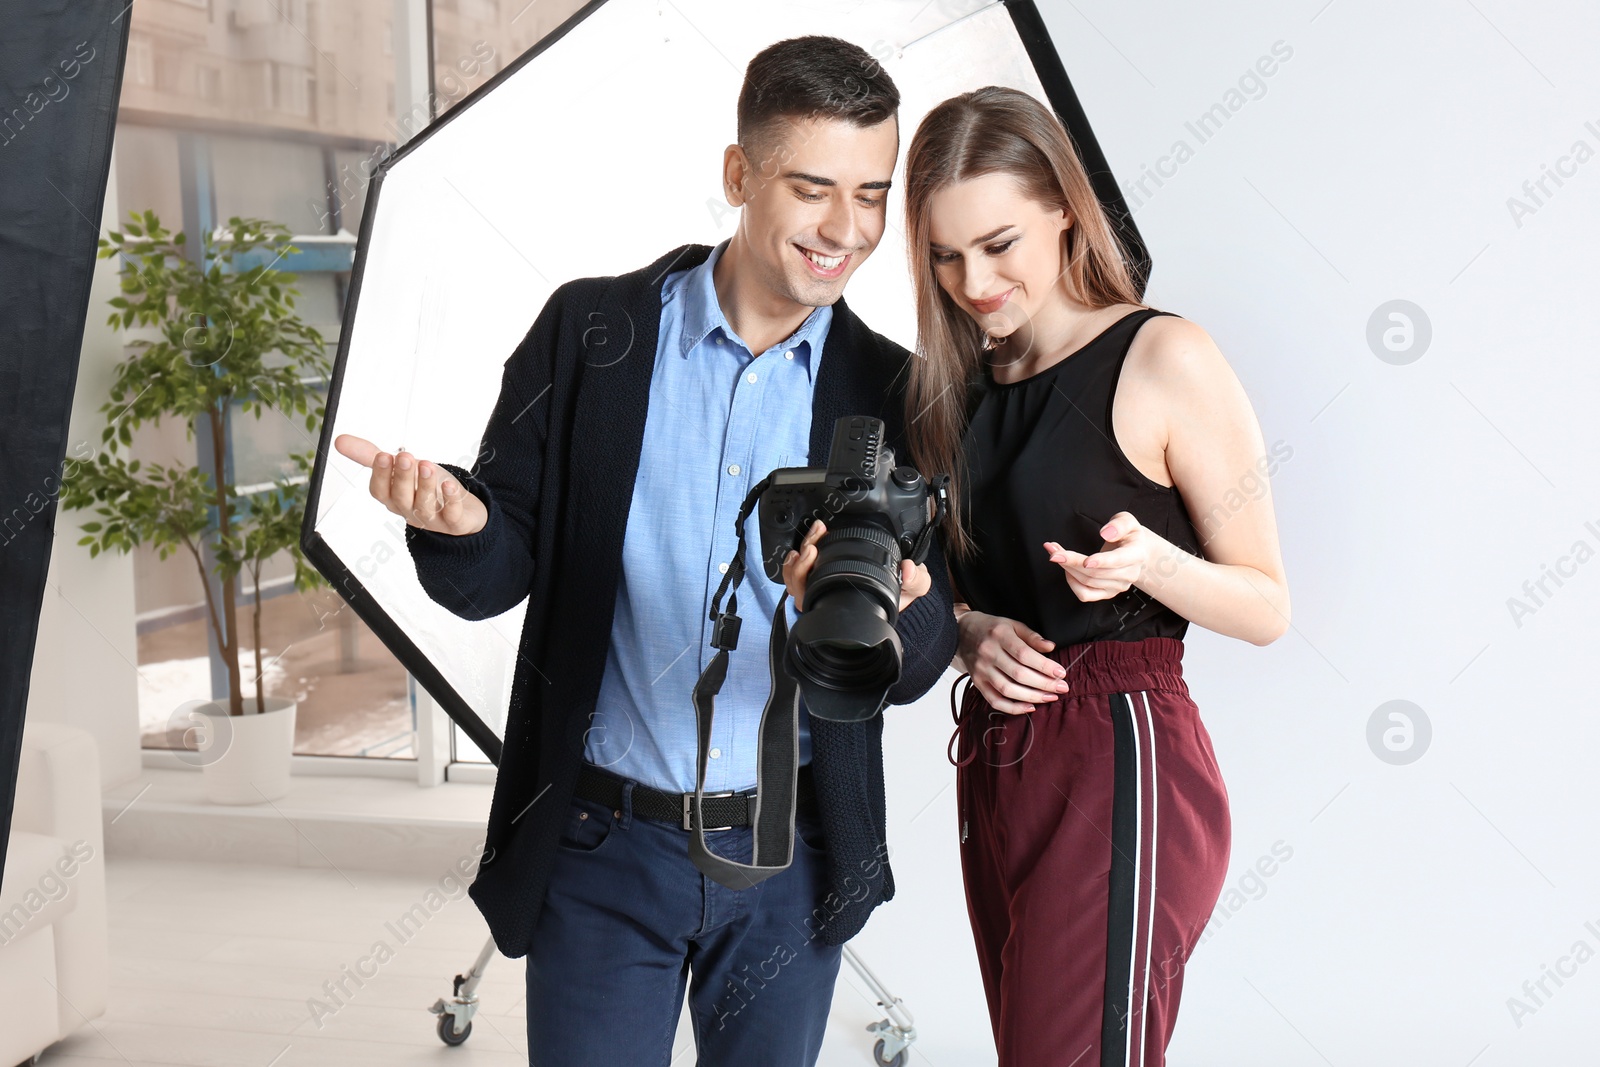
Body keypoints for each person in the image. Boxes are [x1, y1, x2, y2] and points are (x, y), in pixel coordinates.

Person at [333, 36, 958, 1067]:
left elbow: (921, 654)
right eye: (811, 188)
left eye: (871, 193)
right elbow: (503, 570)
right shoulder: (591, 333)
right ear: (737, 176)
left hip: (789, 855)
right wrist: (462, 522)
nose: (844, 228)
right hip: (600, 845)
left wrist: (897, 604)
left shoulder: (892, 390)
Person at [903, 85, 1289, 1066]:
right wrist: (965, 635)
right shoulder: (962, 396)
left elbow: (1266, 604)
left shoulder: (1160, 355)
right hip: (997, 762)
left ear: (1063, 209)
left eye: (998, 244)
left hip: (1122, 755)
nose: (973, 281)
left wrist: (1154, 562)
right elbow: (951, 598)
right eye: (945, 256)